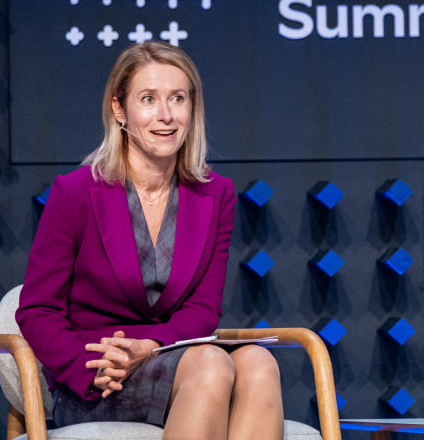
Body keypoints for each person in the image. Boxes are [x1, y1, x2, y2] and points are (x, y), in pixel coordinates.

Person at [15, 41, 284, 439]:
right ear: (119, 110)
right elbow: (37, 309)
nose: (166, 115)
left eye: (177, 98)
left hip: (173, 356)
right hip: (100, 375)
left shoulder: (216, 193)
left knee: (260, 364)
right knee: (212, 365)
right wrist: (88, 370)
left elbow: (203, 309)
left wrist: (151, 345)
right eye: (148, 99)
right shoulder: (75, 192)